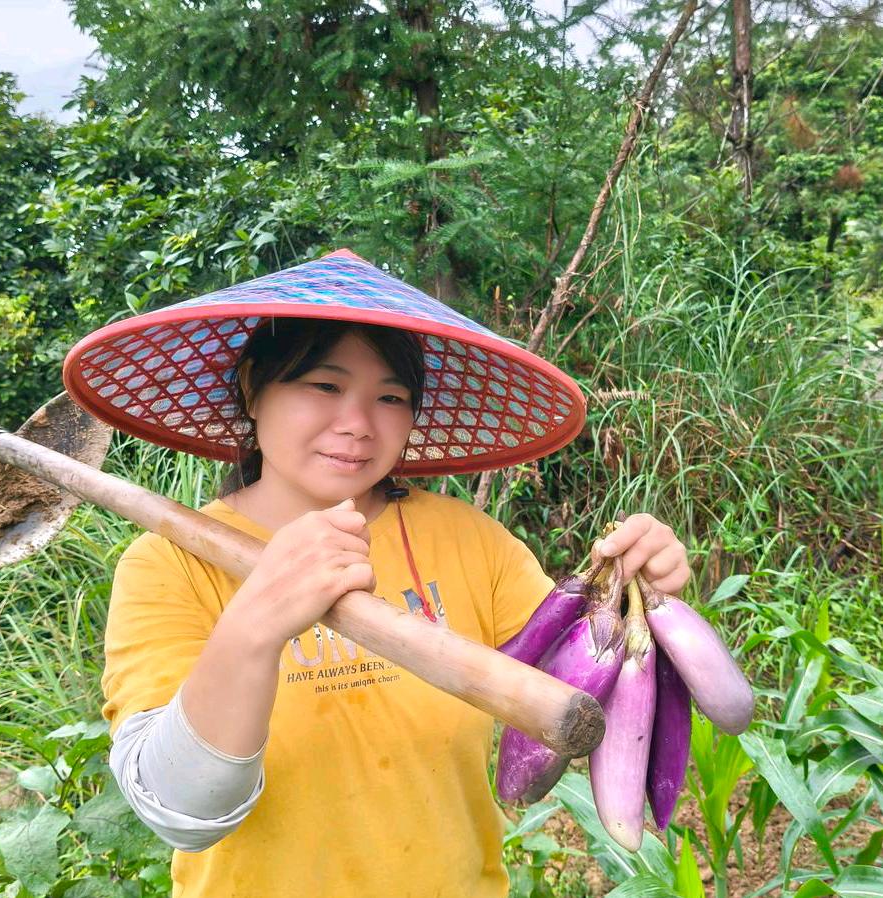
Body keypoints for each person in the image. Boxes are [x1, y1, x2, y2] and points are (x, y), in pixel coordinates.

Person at [62, 250, 690, 897]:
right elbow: (180, 810)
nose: (357, 425)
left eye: (390, 397)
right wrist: (253, 627)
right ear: (252, 388)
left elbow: (585, 693)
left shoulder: (472, 541)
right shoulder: (169, 565)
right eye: (324, 386)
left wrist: (638, 601)